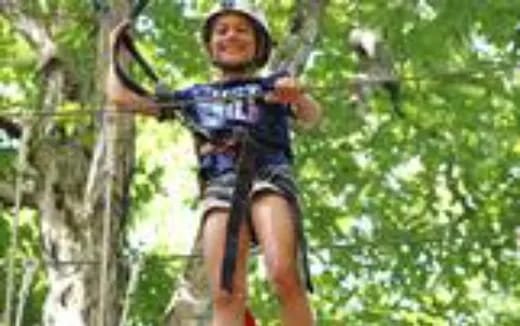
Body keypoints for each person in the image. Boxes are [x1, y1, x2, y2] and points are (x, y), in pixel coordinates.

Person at [107, 1, 322, 325]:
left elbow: (312, 117)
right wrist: (115, 48)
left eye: (241, 30)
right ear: (211, 45)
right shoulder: (194, 97)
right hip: (220, 185)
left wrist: (298, 95)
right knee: (225, 291)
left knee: (283, 273)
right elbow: (122, 99)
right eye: (222, 31)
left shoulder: (272, 86)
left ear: (258, 43)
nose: (231, 36)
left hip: (268, 176)